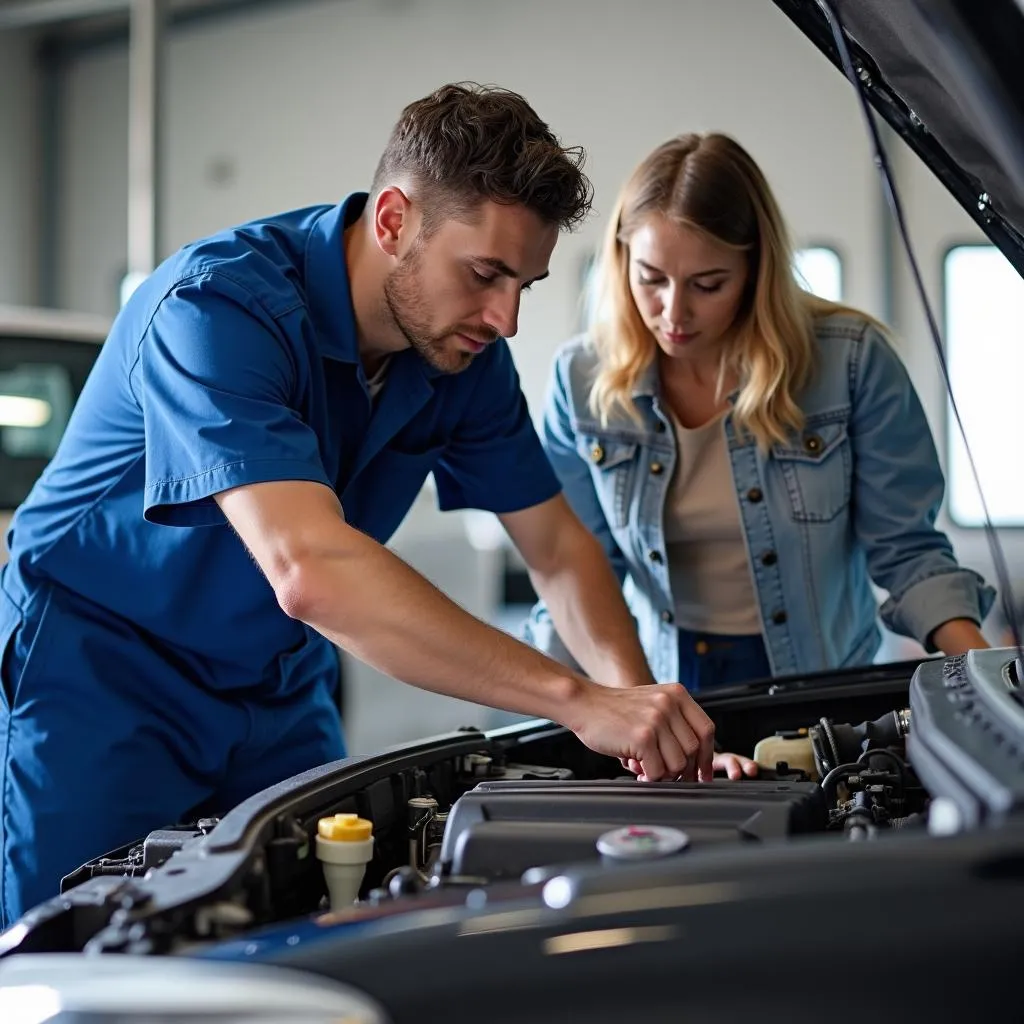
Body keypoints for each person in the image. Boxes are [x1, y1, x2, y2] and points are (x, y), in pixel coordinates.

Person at [0, 86, 718, 926]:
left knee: (314, 935)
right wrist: (577, 700)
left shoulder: (463, 356)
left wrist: (640, 721)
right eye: (485, 274)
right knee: (77, 959)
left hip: (276, 688)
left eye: (525, 283)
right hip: (103, 680)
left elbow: (555, 547)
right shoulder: (215, 309)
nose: (507, 318)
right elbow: (311, 571)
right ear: (391, 222)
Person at [525, 132, 994, 696]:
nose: (674, 312)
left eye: (708, 284)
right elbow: (579, 568)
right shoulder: (581, 379)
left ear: (755, 270)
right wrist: (562, 699)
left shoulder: (850, 361)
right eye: (651, 278)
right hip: (657, 676)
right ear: (621, 259)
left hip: (820, 680)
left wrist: (989, 675)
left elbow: (907, 550)